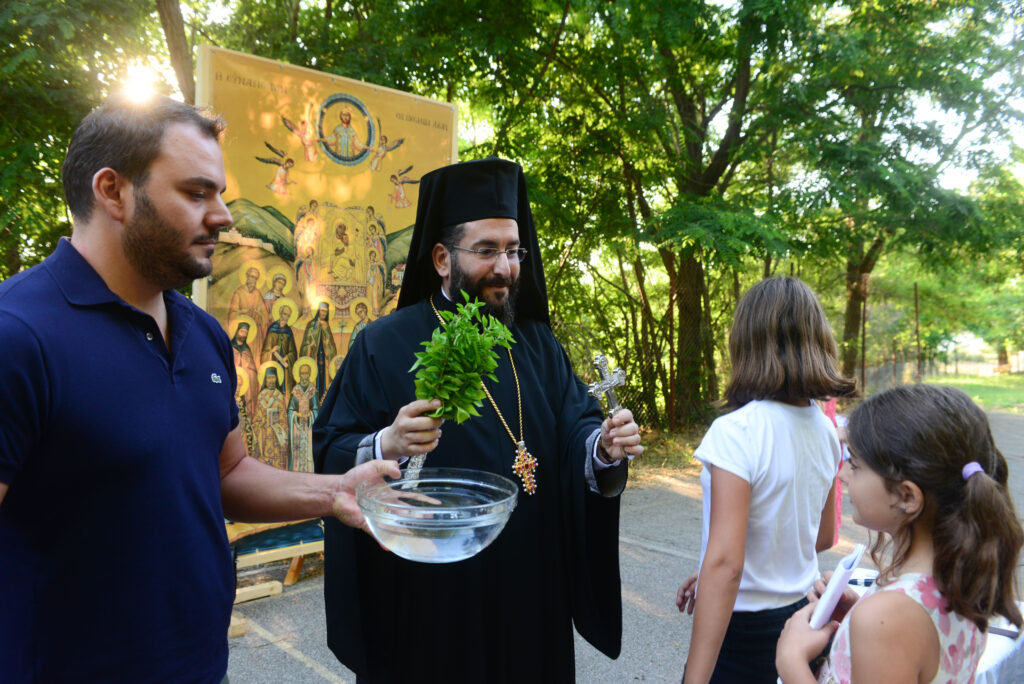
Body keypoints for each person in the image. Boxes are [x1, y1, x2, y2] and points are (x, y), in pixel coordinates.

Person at [0, 94, 399, 683]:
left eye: (220, 193)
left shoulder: (202, 332)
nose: (224, 215)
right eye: (196, 193)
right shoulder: (18, 335)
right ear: (112, 191)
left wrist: (338, 490)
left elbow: (226, 473)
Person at [312, 157, 644, 683]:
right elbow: (332, 446)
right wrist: (387, 442)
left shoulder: (538, 343)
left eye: (513, 251)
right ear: (442, 259)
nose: (505, 267)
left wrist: (602, 448)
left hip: (531, 594)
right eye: (487, 250)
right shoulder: (382, 344)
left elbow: (576, 427)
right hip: (428, 602)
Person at [776, 384, 1023, 683]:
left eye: (855, 464)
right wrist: (856, 618)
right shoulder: (957, 575)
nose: (842, 474)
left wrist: (791, 662)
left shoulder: (888, 616)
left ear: (907, 496)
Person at [676, 277, 857, 684]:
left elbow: (727, 565)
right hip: (803, 619)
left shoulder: (736, 432)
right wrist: (712, 570)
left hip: (743, 632)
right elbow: (822, 537)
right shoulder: (825, 429)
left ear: (745, 342)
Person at [299, 300, 337, 401]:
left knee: (324, 380)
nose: (324, 313)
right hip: (313, 358)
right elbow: (305, 344)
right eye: (322, 310)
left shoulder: (327, 326)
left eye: (326, 311)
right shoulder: (311, 325)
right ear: (318, 311)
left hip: (324, 359)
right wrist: (310, 346)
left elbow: (332, 346)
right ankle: (314, 400)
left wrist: (328, 345)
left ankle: (324, 399)